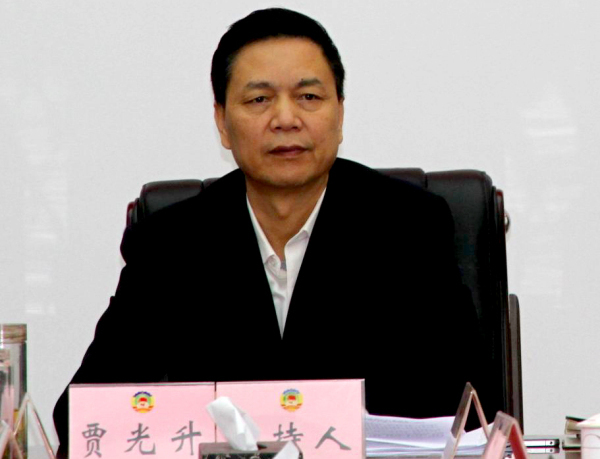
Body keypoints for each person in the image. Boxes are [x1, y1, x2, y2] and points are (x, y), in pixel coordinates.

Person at [53, 8, 481, 458]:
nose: (285, 118)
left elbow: (472, 409)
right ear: (222, 122)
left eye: (309, 97)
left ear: (339, 114)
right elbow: (83, 418)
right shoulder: (172, 244)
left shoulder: (408, 227)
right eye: (259, 100)